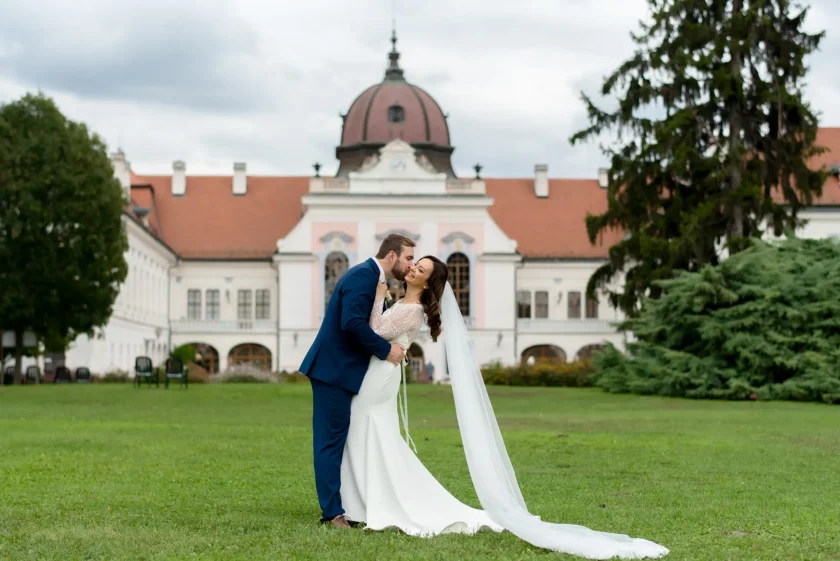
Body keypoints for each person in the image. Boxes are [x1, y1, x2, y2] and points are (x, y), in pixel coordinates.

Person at [337, 256, 671, 559]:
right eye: (415, 264)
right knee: (372, 432)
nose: (412, 268)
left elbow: (374, 331)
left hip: (379, 376)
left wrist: (379, 296)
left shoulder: (411, 309)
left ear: (426, 283)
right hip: (380, 372)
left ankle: (373, 500)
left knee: (370, 429)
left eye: (419, 269)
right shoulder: (407, 302)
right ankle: (369, 498)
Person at [298, 233, 414, 528]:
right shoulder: (362, 276)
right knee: (330, 441)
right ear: (391, 256)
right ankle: (332, 513)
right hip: (333, 370)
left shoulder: (372, 280)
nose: (410, 264)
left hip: (341, 371)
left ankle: (348, 505)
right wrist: (385, 349)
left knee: (338, 439)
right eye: (408, 258)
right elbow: (351, 323)